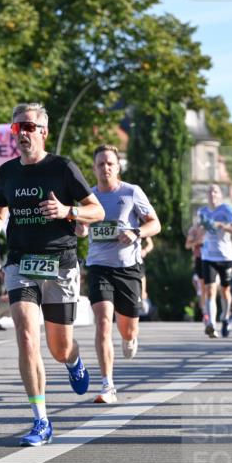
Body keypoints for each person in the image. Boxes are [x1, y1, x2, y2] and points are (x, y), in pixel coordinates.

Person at [0, 103, 104, 447]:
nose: (23, 133)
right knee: (27, 336)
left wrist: (67, 210)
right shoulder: (7, 172)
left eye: (29, 127)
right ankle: (41, 420)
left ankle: (73, 360)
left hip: (59, 262)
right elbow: (0, 212)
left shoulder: (62, 167)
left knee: (58, 346)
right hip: (20, 262)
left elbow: (97, 210)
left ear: (43, 131)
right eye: (17, 128)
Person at [75, 144, 160, 404]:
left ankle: (130, 337)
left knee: (128, 329)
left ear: (118, 166)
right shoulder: (88, 196)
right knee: (102, 323)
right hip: (99, 266)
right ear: (94, 168)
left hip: (128, 268)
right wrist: (81, 229)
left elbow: (155, 224)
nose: (105, 168)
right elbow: (81, 228)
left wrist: (136, 233)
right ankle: (107, 385)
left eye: (110, 163)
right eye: (100, 164)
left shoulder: (132, 192)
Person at [197, 184, 232, 338]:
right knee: (209, 291)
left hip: (225, 256)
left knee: (225, 290)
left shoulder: (226, 210)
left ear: (220, 195)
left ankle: (226, 317)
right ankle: (211, 324)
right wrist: (199, 230)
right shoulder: (202, 212)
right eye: (209, 191)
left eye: (215, 191)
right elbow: (197, 231)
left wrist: (221, 225)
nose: (211, 194)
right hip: (208, 256)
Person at [185, 220, 207, 327]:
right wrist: (198, 242)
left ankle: (212, 310)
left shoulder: (213, 227)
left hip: (214, 259)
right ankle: (205, 313)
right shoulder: (194, 230)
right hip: (200, 259)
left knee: (213, 288)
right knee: (203, 288)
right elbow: (188, 245)